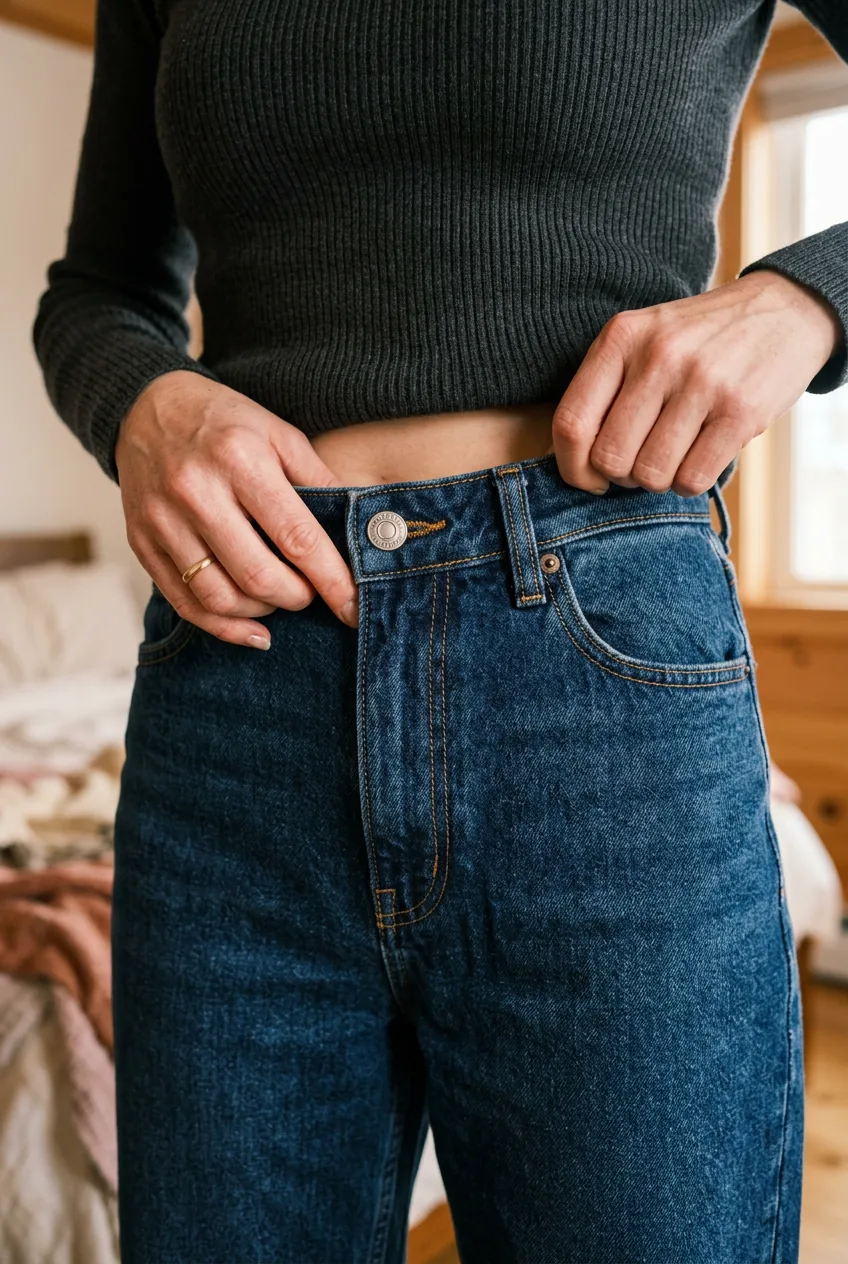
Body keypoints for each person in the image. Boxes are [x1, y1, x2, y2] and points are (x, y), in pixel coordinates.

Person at [32, 2, 847, 1261]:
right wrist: (142, 402)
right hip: (237, 687)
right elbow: (100, 289)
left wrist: (804, 301)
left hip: (599, 673)